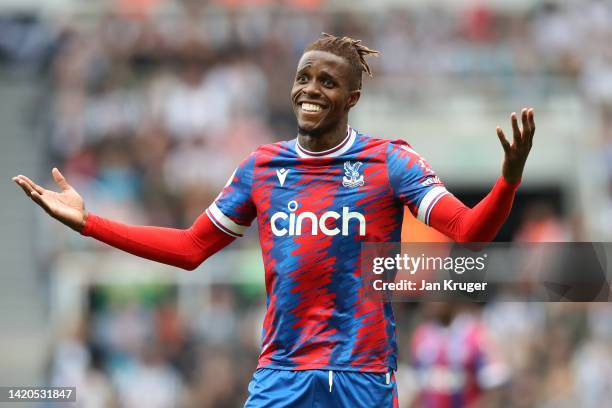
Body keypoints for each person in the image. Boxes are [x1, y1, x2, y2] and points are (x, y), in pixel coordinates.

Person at [13, 33, 535, 407]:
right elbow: (191, 249)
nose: (310, 89)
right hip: (280, 374)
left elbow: (471, 231)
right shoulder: (262, 166)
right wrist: (89, 223)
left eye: (327, 81)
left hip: (361, 376)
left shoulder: (389, 161)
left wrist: (507, 181)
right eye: (303, 77)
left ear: (352, 98)